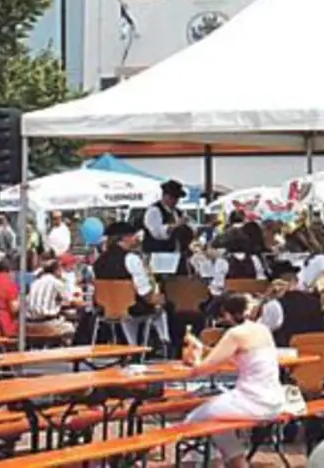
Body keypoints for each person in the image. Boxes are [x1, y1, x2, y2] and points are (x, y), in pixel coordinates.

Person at [181, 292, 290, 468]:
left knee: (194, 419)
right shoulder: (262, 329)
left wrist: (196, 357)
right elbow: (229, 356)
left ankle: (206, 462)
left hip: (253, 400)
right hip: (274, 399)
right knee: (217, 421)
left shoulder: (235, 334)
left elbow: (201, 370)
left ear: (226, 314)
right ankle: (236, 462)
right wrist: (203, 351)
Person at [92, 222, 169, 351]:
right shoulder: (131, 258)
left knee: (125, 312)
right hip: (132, 308)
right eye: (133, 235)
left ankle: (132, 346)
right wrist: (159, 299)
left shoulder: (99, 261)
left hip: (107, 308)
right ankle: (165, 343)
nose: (136, 238)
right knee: (162, 310)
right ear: (124, 237)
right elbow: (144, 292)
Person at [143, 180, 194, 269]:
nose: (175, 201)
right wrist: (175, 225)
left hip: (175, 254)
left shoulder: (178, 212)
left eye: (177, 198)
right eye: (172, 197)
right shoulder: (154, 211)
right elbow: (157, 233)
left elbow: (191, 228)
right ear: (164, 196)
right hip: (158, 255)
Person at [25, 258, 80, 338]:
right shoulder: (56, 283)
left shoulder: (34, 283)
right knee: (72, 328)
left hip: (30, 324)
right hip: (47, 323)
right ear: (56, 270)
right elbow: (71, 301)